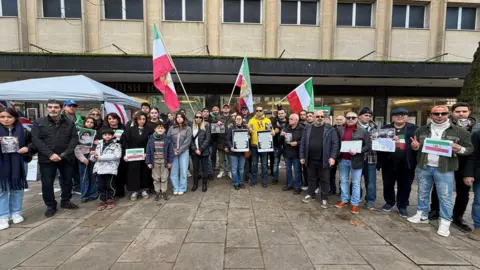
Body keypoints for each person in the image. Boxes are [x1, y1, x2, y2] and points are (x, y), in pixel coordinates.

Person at [408, 105, 473, 237]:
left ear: (448, 115)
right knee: (422, 192)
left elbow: (469, 149)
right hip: (424, 166)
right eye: (436, 114)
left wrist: (459, 149)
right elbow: (417, 147)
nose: (439, 116)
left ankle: (445, 221)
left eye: (443, 114)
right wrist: (415, 147)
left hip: (445, 168)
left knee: (445, 196)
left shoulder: (459, 131)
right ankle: (422, 215)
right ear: (431, 115)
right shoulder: (421, 130)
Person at [429, 102, 478, 232]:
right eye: (458, 111)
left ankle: (458, 216)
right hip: (447, 161)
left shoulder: (476, 128)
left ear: (469, 112)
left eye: (464, 111)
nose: (461, 114)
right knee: (438, 187)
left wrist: (461, 149)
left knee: (463, 191)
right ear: (452, 113)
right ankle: (435, 210)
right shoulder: (445, 125)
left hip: (466, 163)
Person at [32, 99, 79, 217]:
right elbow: (36, 140)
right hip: (47, 159)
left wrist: (65, 154)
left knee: (67, 181)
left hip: (66, 157)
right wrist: (50, 154)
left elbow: (74, 139)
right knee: (47, 183)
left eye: (56, 107)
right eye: (50, 107)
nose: (53, 109)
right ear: (47, 108)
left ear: (61, 108)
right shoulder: (39, 122)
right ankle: (50, 205)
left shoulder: (69, 122)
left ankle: (66, 201)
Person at [377, 108, 418, 217]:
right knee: (388, 183)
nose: (400, 117)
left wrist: (416, 147)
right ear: (392, 117)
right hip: (388, 162)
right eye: (397, 115)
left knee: (405, 185)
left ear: (407, 116)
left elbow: (419, 145)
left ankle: (402, 205)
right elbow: (379, 145)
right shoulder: (385, 128)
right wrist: (375, 140)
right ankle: (389, 202)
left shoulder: (414, 129)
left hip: (406, 163)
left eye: (403, 115)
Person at [0, 108, 33, 230]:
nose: (5, 119)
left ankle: (15, 212)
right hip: (2, 163)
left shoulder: (23, 130)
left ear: (15, 117)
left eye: (9, 117)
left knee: (17, 188)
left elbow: (32, 143)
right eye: (2, 117)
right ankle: (3, 216)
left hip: (18, 162)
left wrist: (27, 148)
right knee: (2, 190)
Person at [300, 111, 339, 207]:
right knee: (311, 178)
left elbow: (335, 144)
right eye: (317, 116)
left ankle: (324, 198)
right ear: (313, 117)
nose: (320, 118)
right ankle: (311, 194)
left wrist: (332, 157)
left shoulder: (330, 129)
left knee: (325, 179)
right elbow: (303, 144)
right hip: (310, 159)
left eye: (322, 116)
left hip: (324, 159)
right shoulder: (307, 128)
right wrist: (302, 156)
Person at [335, 112, 371, 214]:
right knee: (343, 181)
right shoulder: (340, 130)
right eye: (348, 117)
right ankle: (344, 200)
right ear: (345, 118)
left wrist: (358, 150)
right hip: (343, 160)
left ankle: (355, 203)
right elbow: (336, 144)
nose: (350, 119)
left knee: (356, 183)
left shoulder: (363, 131)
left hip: (357, 160)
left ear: (357, 119)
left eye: (353, 117)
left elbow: (368, 146)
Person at [122, 112, 153, 201]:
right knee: (133, 173)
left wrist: (148, 152)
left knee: (144, 172)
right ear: (136, 120)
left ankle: (144, 190)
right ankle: (134, 191)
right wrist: (126, 154)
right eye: (140, 119)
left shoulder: (149, 130)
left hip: (144, 155)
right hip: (133, 156)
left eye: (144, 119)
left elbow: (151, 143)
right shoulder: (130, 129)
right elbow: (125, 142)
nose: (142, 121)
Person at [91, 128, 122, 211]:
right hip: (99, 169)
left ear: (112, 136)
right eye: (105, 135)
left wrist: (100, 157)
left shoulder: (116, 145)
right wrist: (93, 156)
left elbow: (116, 156)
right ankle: (102, 200)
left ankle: (110, 199)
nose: (107, 136)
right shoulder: (98, 144)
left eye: (109, 134)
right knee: (100, 185)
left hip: (110, 169)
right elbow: (94, 156)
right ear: (102, 135)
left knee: (110, 185)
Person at [248, 106, 274, 187]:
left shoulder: (267, 120)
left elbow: (272, 131)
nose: (259, 112)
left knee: (264, 164)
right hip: (254, 145)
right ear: (255, 111)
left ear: (263, 111)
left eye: (260, 110)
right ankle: (254, 180)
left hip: (264, 146)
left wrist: (272, 132)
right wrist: (248, 131)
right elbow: (248, 131)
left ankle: (265, 181)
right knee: (254, 164)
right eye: (257, 110)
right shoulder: (251, 120)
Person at [146, 122, 174, 201]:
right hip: (154, 161)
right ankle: (157, 192)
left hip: (164, 161)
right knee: (156, 178)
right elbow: (148, 151)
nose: (160, 129)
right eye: (158, 128)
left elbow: (170, 151)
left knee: (164, 177)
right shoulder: (151, 138)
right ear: (155, 129)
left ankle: (164, 191)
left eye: (162, 128)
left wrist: (169, 162)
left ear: (165, 129)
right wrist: (148, 162)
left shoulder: (168, 139)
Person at [357, 107, 378, 210]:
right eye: (366, 115)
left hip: (371, 158)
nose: (368, 117)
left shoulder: (375, 128)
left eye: (369, 116)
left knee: (371, 182)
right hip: (357, 157)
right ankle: (357, 197)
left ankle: (370, 201)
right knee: (356, 180)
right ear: (360, 116)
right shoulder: (354, 127)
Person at [74, 117, 98, 203]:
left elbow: (98, 146)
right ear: (85, 123)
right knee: (84, 177)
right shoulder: (79, 133)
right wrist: (83, 159)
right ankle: (84, 195)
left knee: (93, 176)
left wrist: (95, 152)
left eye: (92, 122)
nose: (90, 124)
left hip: (93, 157)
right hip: (83, 157)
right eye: (88, 122)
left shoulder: (96, 133)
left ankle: (93, 193)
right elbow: (76, 148)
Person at [167, 113, 192, 195]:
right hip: (173, 152)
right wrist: (173, 150)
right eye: (177, 117)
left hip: (184, 152)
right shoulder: (171, 128)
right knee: (173, 171)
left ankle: (182, 187)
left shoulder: (188, 128)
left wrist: (179, 150)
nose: (179, 118)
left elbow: (187, 141)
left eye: (181, 117)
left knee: (183, 170)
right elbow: (168, 140)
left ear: (184, 118)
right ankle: (175, 187)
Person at [279, 113, 304, 195]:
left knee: (297, 171)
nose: (289, 120)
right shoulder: (285, 129)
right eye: (289, 119)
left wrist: (297, 143)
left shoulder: (302, 129)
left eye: (291, 119)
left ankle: (298, 187)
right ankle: (289, 184)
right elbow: (280, 142)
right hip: (287, 153)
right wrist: (281, 136)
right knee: (288, 170)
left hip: (296, 154)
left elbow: (305, 141)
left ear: (297, 120)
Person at [104, 112, 126, 198]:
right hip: (108, 155)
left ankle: (120, 192)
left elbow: (127, 140)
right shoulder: (104, 129)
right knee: (109, 174)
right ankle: (109, 193)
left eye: (114, 118)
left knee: (120, 173)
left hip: (120, 154)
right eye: (109, 119)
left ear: (118, 119)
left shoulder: (123, 128)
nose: (112, 120)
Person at [463, 129, 480, 240]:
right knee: (479, 202)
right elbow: (472, 156)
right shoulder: (477, 134)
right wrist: (468, 174)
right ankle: (478, 229)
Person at [226, 114, 249, 190]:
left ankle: (240, 182)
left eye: (240, 119)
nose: (238, 120)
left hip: (242, 152)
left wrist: (249, 137)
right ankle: (235, 182)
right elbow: (228, 140)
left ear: (242, 120)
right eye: (237, 119)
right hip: (233, 152)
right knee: (234, 169)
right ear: (235, 120)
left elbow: (249, 138)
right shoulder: (231, 128)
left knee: (241, 169)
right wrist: (231, 147)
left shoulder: (246, 128)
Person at [190, 112, 211, 192]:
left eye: (200, 117)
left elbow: (208, 139)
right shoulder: (191, 127)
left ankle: (204, 184)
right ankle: (195, 184)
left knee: (204, 168)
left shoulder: (206, 127)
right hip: (194, 152)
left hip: (204, 151)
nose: (198, 119)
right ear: (194, 118)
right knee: (196, 169)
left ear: (202, 119)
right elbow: (190, 140)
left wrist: (201, 149)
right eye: (197, 117)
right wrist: (195, 149)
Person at [215, 104, 233, 179]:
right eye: (224, 108)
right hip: (221, 141)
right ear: (222, 110)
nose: (225, 109)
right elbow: (213, 127)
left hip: (229, 141)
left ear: (229, 109)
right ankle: (221, 171)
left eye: (227, 108)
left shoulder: (232, 118)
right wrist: (216, 123)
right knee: (221, 158)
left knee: (230, 158)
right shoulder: (218, 117)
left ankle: (229, 171)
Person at [272, 108, 288, 185]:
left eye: (282, 113)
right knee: (276, 163)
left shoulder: (289, 122)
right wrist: (274, 132)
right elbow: (270, 132)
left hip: (287, 146)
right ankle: (275, 178)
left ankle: (289, 179)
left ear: (285, 114)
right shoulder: (274, 122)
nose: (280, 115)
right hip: (277, 146)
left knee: (287, 164)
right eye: (279, 113)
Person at [240, 106, 252, 184]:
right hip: (240, 141)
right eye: (243, 110)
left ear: (248, 111)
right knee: (242, 160)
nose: (244, 111)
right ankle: (242, 176)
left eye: (246, 110)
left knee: (248, 159)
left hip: (249, 141)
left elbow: (252, 130)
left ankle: (247, 176)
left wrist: (249, 128)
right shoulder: (238, 117)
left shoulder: (251, 118)